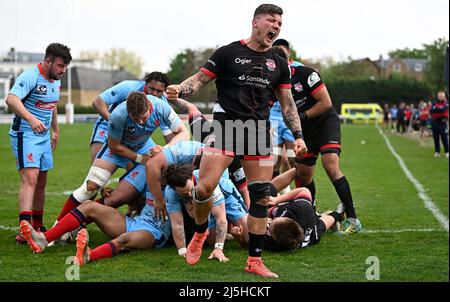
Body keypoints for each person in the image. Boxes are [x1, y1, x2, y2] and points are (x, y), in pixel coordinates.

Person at [166, 4, 307, 278]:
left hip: (258, 132)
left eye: (280, 23)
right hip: (227, 127)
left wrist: (299, 136)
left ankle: (254, 260)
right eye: (271, 21)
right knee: (204, 188)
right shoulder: (228, 53)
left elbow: (288, 105)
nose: (276, 26)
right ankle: (200, 232)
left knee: (261, 198)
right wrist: (180, 89)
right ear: (255, 22)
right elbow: (199, 80)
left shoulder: (280, 65)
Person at [52, 91, 189, 237]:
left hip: (143, 144)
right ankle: (58, 226)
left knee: (138, 185)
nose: (141, 123)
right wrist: (139, 158)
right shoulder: (118, 115)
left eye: (143, 118)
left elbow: (183, 133)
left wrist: (164, 149)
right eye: (135, 119)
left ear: (149, 107)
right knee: (91, 186)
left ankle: (137, 216)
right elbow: (114, 146)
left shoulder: (161, 107)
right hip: (119, 147)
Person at [272, 43, 362, 234]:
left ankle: (353, 218)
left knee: (330, 165)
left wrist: (301, 117)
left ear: (288, 61)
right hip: (304, 130)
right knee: (303, 173)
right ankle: (311, 215)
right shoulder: (273, 82)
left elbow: (326, 103)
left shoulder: (306, 74)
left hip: (325, 123)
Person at [6, 43, 72, 244]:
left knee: (42, 180)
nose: (63, 71)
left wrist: (56, 130)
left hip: (43, 137)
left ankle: (37, 225)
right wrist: (31, 119)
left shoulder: (55, 80)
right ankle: (25, 229)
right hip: (25, 134)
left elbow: (51, 105)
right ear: (48, 61)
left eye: (65, 67)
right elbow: (11, 99)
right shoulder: (30, 76)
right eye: (60, 66)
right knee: (30, 179)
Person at [18, 192, 172, 265]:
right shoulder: (151, 176)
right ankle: (44, 239)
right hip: (133, 222)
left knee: (123, 240)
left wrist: (182, 249)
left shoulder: (180, 188)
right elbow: (132, 196)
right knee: (89, 206)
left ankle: (89, 256)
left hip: (153, 232)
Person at [167, 97, 251, 208]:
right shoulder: (202, 137)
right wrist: (172, 97)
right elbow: (190, 107)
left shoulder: (233, 162)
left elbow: (244, 192)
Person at [163, 164, 248, 262]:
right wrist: (182, 251)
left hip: (227, 196)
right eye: (184, 194)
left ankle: (235, 229)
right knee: (212, 241)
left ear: (191, 177)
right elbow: (177, 224)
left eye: (191, 190)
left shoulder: (206, 180)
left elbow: (220, 217)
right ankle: (230, 232)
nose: (190, 195)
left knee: (248, 238)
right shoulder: (170, 192)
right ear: (174, 189)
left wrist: (218, 249)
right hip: (206, 205)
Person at [90, 72, 172, 164]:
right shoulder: (128, 87)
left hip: (136, 136)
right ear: (146, 84)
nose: (154, 94)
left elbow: (168, 133)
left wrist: (169, 152)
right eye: (152, 88)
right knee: (97, 171)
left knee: (150, 165)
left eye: (159, 91)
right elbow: (98, 102)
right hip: (107, 127)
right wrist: (113, 124)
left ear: (164, 91)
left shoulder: (162, 105)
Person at [269, 39, 300, 193]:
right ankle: (275, 196)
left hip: (288, 118)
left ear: (288, 51)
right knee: (274, 159)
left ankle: (302, 195)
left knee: (294, 159)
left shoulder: (298, 68)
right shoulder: (269, 67)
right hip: (272, 119)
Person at [430, 91, 449, 158]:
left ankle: (447, 151)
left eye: (441, 96)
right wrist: (438, 109)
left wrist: (436, 109)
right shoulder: (434, 103)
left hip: (442, 122)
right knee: (435, 137)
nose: (440, 97)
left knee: (444, 137)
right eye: (439, 96)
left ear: (444, 97)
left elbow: (443, 110)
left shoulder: (446, 103)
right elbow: (431, 110)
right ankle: (437, 152)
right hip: (435, 122)